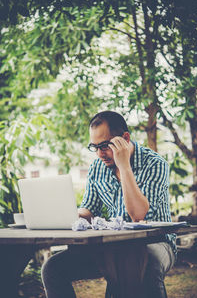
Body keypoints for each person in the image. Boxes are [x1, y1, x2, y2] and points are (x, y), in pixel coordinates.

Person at [41, 110, 176, 298]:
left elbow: (138, 215)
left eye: (105, 146)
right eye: (94, 147)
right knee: (53, 268)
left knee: (147, 263)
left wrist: (124, 166)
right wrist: (62, 214)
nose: (99, 154)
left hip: (156, 242)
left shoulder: (154, 164)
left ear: (125, 138)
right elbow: (89, 209)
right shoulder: (98, 167)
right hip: (115, 244)